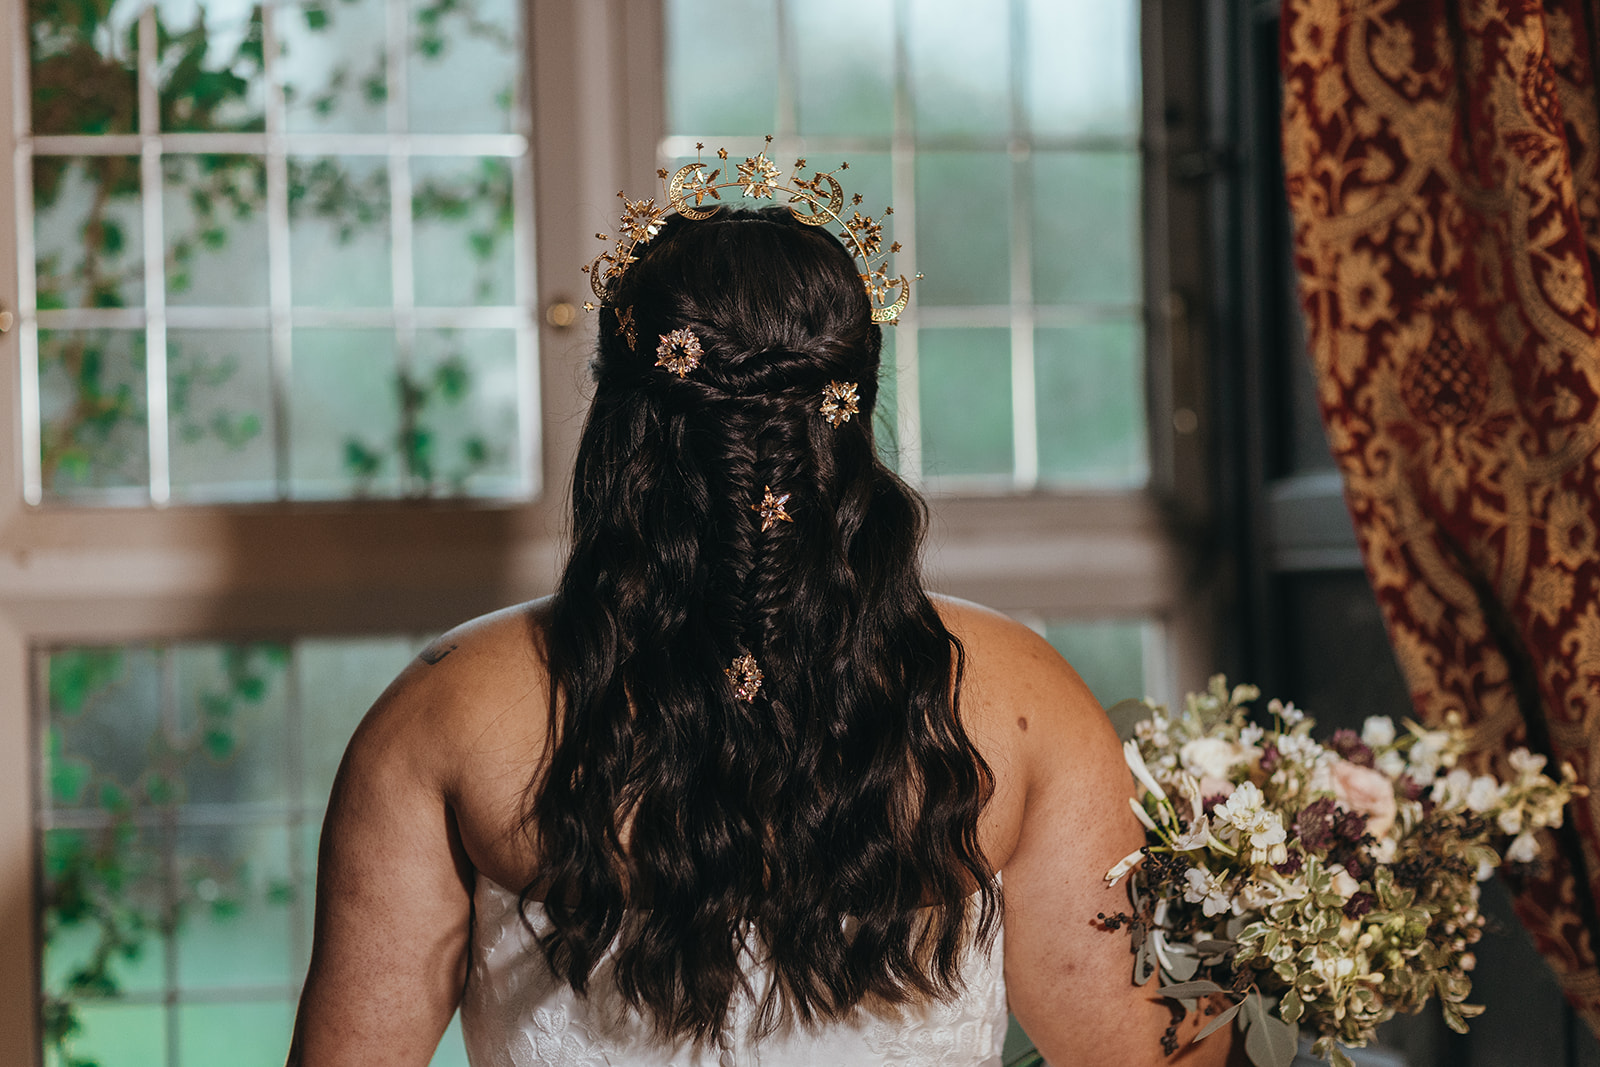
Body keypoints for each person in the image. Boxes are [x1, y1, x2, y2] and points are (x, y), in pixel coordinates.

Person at [287, 184, 1238, 1066]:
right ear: (854, 410)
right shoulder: (1026, 697)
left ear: (620, 427)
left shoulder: (443, 706)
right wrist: (1250, 927)